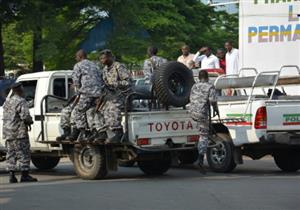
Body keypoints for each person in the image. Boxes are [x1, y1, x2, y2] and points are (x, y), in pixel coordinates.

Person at [3, 82, 37, 183]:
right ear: (20, 90)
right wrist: (30, 121)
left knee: (11, 153)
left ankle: (12, 176)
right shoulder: (21, 101)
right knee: (23, 153)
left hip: (8, 132)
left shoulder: (7, 101)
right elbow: (25, 116)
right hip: (19, 132)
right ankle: (24, 175)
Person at [69, 49, 104, 142]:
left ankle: (84, 133)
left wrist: (77, 91)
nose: (75, 58)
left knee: (78, 111)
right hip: (98, 94)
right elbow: (101, 78)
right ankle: (97, 132)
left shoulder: (78, 65)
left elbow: (76, 81)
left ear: (80, 56)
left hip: (86, 93)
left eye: (76, 57)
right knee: (91, 112)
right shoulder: (95, 65)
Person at [98, 49, 132, 143]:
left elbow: (128, 82)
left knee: (113, 107)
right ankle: (106, 132)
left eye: (103, 58)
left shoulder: (118, 66)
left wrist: (115, 84)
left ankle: (118, 132)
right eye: (100, 59)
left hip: (124, 94)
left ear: (109, 57)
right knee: (100, 109)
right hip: (112, 95)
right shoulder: (104, 70)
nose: (101, 60)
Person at [189, 70, 218, 174]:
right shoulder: (210, 86)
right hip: (202, 114)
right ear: (207, 77)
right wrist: (216, 109)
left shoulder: (194, 86)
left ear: (199, 77)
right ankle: (200, 160)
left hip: (192, 113)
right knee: (204, 136)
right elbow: (213, 101)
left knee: (197, 134)